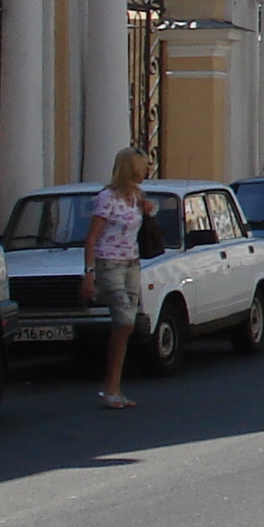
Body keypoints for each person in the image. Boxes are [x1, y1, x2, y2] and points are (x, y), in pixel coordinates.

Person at [86, 148, 157, 411]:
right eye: (143, 166)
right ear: (132, 168)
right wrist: (89, 273)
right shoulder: (107, 199)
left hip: (132, 263)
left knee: (127, 325)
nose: (147, 171)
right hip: (109, 264)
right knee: (124, 322)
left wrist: (148, 210)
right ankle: (110, 385)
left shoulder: (136, 196)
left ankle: (114, 385)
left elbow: (143, 222)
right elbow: (92, 237)